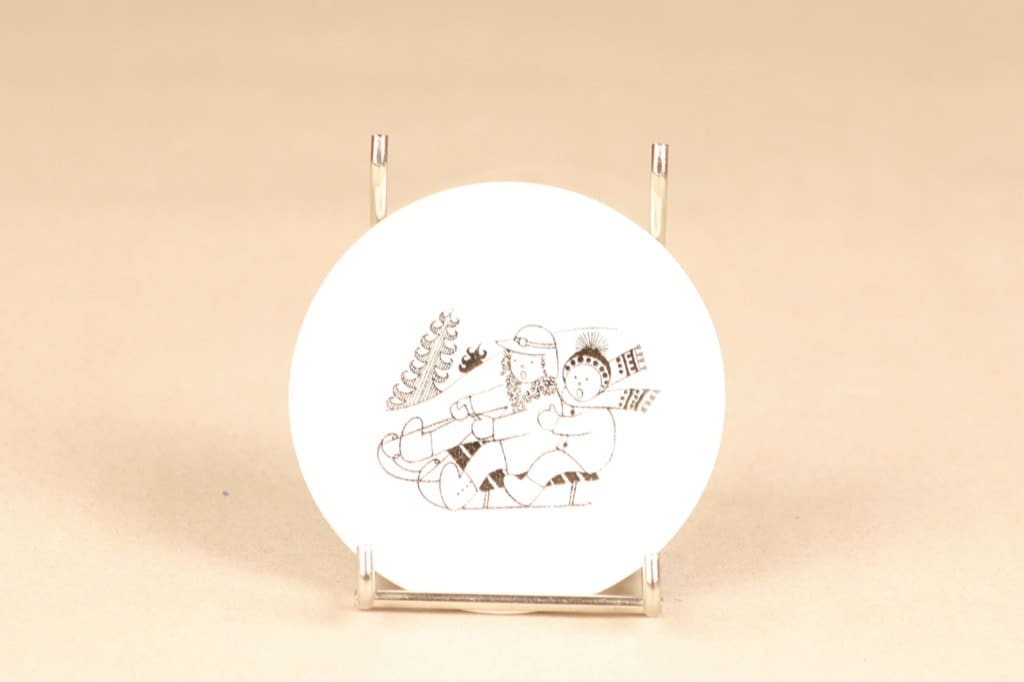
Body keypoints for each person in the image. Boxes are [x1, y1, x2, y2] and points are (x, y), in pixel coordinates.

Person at [399, 324, 564, 509]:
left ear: (546, 365)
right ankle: (420, 447)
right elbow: (495, 397)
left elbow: (525, 422)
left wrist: (493, 428)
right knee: (468, 424)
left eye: (531, 363)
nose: (521, 367)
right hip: (508, 437)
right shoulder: (517, 385)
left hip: (529, 450)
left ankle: (458, 493)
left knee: (488, 454)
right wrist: (469, 405)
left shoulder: (548, 397)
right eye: (516, 360)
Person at [503, 339, 617, 505]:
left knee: (548, 463)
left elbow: (575, 425)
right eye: (575, 377)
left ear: (600, 386)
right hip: (568, 448)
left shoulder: (597, 411)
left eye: (587, 380)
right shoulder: (568, 398)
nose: (579, 383)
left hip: (585, 458)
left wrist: (555, 423)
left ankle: (526, 492)